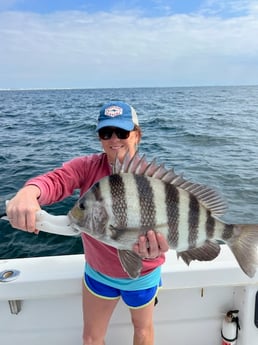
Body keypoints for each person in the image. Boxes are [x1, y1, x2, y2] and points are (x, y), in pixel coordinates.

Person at [6, 101, 169, 345]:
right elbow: (57, 180)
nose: (114, 139)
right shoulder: (88, 167)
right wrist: (30, 192)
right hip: (99, 273)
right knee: (91, 338)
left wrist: (164, 243)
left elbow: (173, 223)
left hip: (143, 273)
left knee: (143, 331)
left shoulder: (153, 179)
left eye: (122, 132)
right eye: (106, 133)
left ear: (137, 135)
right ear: (100, 138)